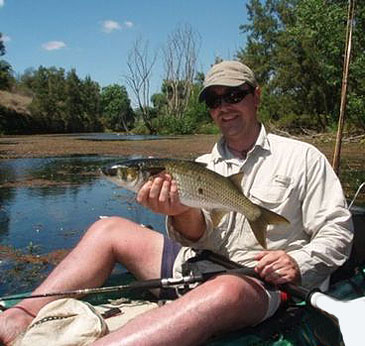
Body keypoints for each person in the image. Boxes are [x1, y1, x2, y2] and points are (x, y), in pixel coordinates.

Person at [0, 60, 353, 346]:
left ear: (256, 96)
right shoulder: (202, 166)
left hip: (259, 281)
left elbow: (337, 230)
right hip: (199, 265)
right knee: (107, 228)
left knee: (225, 290)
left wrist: (297, 261)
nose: (224, 107)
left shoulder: (302, 157)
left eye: (234, 96)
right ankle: (18, 318)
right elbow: (194, 237)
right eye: (214, 101)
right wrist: (181, 212)